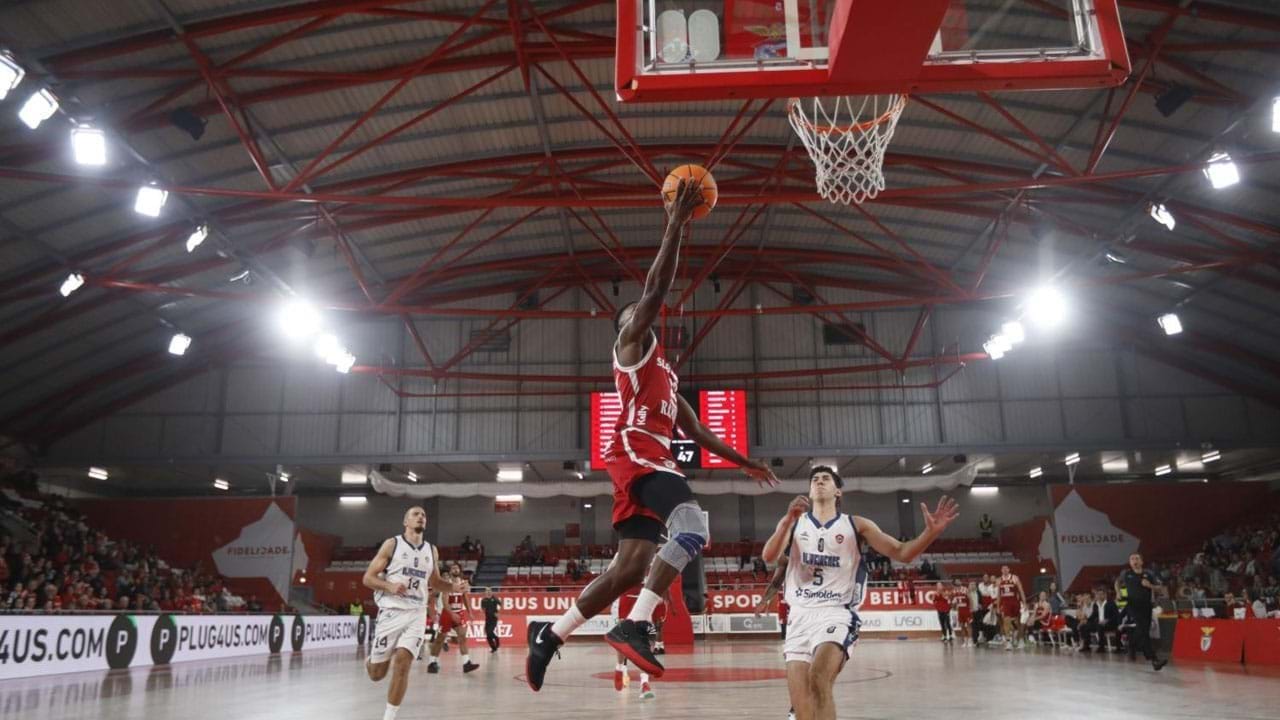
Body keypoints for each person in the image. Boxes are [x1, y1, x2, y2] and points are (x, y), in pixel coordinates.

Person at [524, 179, 779, 692]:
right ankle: (636, 623)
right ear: (628, 326)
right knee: (693, 527)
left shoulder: (667, 376)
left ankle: (551, 633)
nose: (640, 316)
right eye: (634, 314)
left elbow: (698, 429)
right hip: (638, 453)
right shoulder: (631, 347)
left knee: (628, 567)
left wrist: (745, 461)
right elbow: (656, 292)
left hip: (644, 461)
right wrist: (676, 224)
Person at [761, 467, 958, 720]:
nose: (819, 482)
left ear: (838, 491)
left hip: (837, 614)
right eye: (814, 480)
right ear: (810, 491)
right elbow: (769, 556)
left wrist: (930, 533)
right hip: (799, 616)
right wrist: (787, 520)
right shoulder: (794, 522)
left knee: (818, 679)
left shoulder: (856, 525)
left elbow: (903, 553)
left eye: (825, 479)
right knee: (801, 709)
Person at [362, 506, 462, 720]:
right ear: (405, 521)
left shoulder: (431, 550)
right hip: (391, 611)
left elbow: (434, 582)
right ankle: (372, 660)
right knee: (377, 674)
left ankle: (389, 717)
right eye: (416, 514)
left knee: (403, 664)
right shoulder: (392, 544)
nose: (421, 517)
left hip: (416, 613)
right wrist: (389, 587)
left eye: (424, 515)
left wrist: (454, 588)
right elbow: (368, 578)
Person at [425, 562, 480, 674]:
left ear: (459, 570)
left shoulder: (463, 583)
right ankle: (432, 662)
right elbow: (445, 602)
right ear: (450, 571)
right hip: (447, 613)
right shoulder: (447, 584)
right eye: (453, 568)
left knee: (462, 637)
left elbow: (465, 597)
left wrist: (470, 612)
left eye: (456, 568)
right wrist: (451, 614)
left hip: (459, 612)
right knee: (440, 639)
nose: (455, 570)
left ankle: (466, 663)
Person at [1118, 552, 1168, 670]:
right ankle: (1154, 659)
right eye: (1132, 559)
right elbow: (1117, 583)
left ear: (1141, 561)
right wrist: (1118, 593)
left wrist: (1150, 586)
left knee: (1144, 631)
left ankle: (1131, 643)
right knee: (1143, 631)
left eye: (1137, 559)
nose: (1134, 561)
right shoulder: (1126, 573)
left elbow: (1161, 588)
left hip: (1146, 605)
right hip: (1133, 605)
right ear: (1130, 563)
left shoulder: (1149, 573)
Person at [1079, 588, 1119, 653]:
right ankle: (1086, 646)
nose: (1099, 596)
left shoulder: (1111, 603)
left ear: (1105, 595)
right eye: (1098, 594)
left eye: (1101, 594)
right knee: (1084, 626)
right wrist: (1086, 620)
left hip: (1109, 623)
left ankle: (1101, 647)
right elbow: (1093, 615)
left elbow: (1116, 615)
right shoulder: (1096, 604)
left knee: (1100, 626)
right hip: (1098, 623)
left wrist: (1107, 620)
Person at [995, 565, 1025, 650]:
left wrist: (1024, 602)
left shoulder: (1015, 578)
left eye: (1006, 569)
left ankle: (1019, 639)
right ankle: (1008, 642)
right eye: (1003, 569)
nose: (1004, 570)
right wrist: (998, 606)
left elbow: (1021, 590)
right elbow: (998, 595)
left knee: (1017, 622)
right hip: (1005, 603)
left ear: (1009, 570)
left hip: (1015, 602)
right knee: (1006, 621)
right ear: (1001, 570)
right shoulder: (999, 580)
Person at [953, 580, 973, 646]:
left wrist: (971, 608)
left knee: (968, 625)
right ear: (955, 584)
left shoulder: (965, 589)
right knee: (962, 626)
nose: (959, 582)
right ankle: (965, 641)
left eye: (959, 581)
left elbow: (970, 598)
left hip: (966, 609)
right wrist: (954, 606)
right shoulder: (955, 591)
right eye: (957, 581)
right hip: (960, 609)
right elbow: (955, 600)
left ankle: (970, 640)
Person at [481, 587, 500, 652]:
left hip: (494, 619)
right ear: (485, 592)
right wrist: (483, 612)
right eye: (487, 590)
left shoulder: (494, 599)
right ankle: (493, 648)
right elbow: (483, 609)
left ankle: (496, 639)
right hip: (487, 619)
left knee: (490, 632)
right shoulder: (483, 600)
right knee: (488, 635)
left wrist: (498, 612)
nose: (488, 592)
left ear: (491, 592)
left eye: (489, 590)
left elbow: (501, 605)